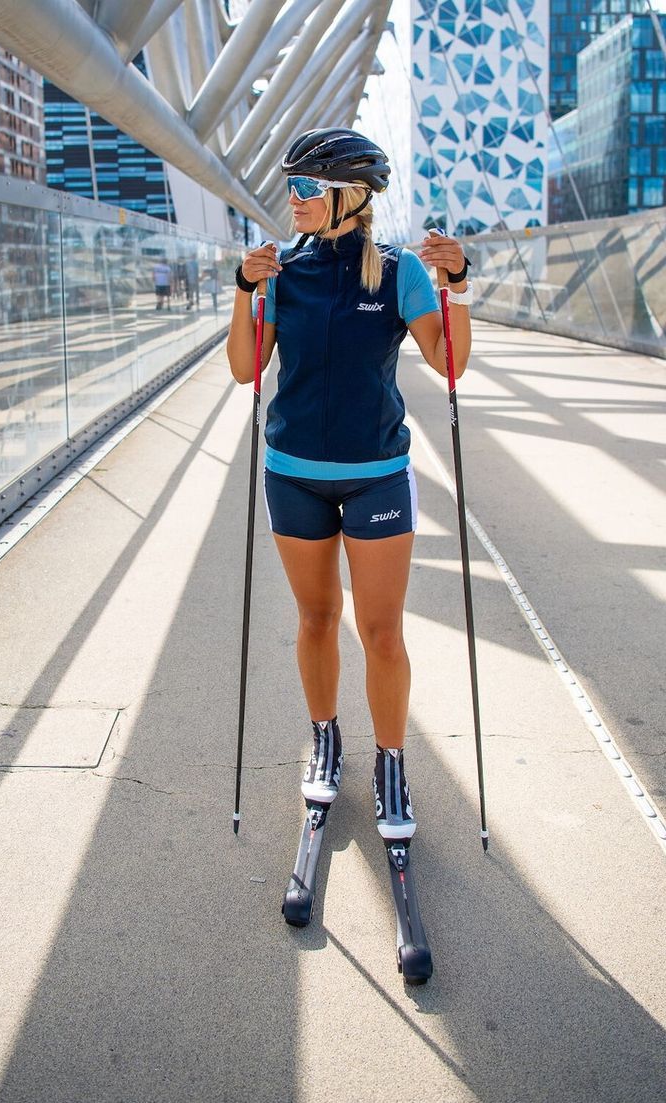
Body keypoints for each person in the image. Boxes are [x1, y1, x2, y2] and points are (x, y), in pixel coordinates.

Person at [226, 128, 472, 843]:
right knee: (315, 619)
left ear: (348, 198)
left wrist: (457, 285)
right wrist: (245, 291)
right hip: (293, 473)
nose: (293, 200)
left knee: (383, 632)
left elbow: (447, 362)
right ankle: (326, 741)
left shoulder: (398, 273)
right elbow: (246, 370)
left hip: (377, 477)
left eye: (306, 188)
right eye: (292, 187)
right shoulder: (281, 272)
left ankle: (390, 763)